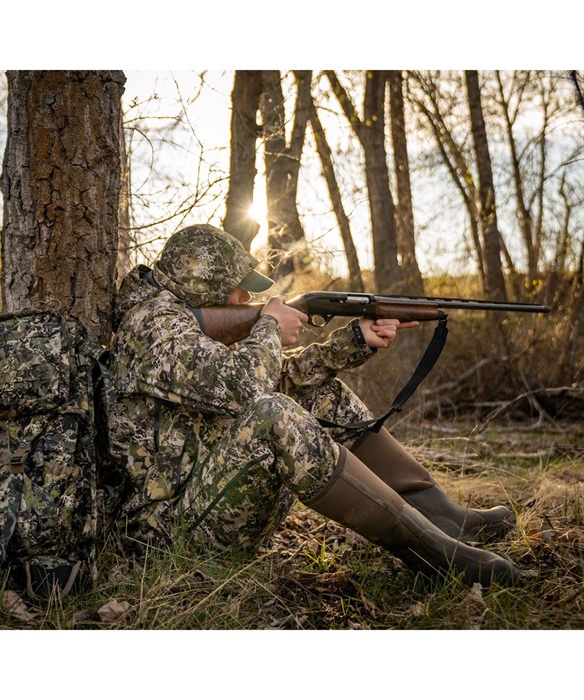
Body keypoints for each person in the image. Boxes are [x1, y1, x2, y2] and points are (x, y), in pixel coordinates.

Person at [107, 224, 519, 586]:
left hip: (207, 495)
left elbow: (277, 381)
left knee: (323, 396)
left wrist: (351, 343)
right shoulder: (152, 327)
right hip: (170, 537)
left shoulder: (178, 322)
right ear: (204, 288)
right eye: (238, 289)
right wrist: (269, 325)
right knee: (273, 415)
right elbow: (248, 389)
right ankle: (433, 554)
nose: (247, 297)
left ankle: (442, 517)